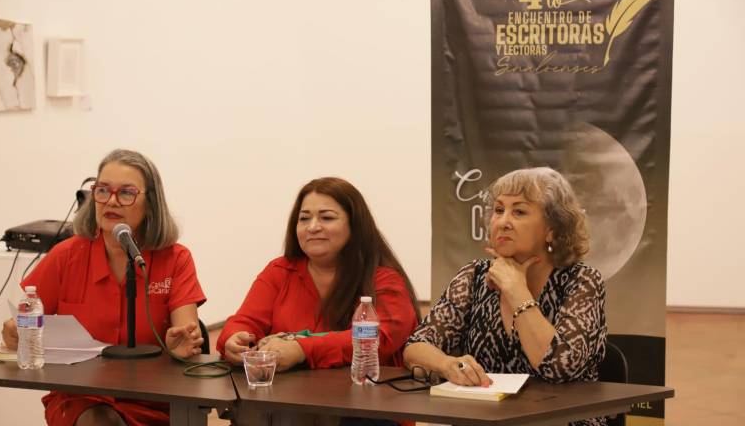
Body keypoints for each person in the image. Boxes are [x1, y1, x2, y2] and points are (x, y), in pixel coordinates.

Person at [2, 149, 206, 426]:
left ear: (151, 203)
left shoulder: (176, 258)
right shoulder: (66, 256)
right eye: (102, 190)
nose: (111, 201)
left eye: (126, 193)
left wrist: (180, 345)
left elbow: (187, 335)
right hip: (82, 396)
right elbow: (25, 315)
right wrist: (16, 333)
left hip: (154, 397)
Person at [403, 167, 606, 426]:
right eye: (499, 210)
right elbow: (415, 346)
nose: (503, 222)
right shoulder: (474, 276)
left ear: (552, 229)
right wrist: (448, 364)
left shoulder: (582, 281)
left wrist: (516, 289)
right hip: (486, 420)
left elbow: (559, 366)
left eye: (519, 212)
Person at [217, 177, 419, 372]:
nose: (312, 227)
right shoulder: (280, 270)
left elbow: (379, 338)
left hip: (362, 390)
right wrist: (233, 338)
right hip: (287, 393)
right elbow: (245, 321)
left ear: (355, 225)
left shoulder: (384, 278)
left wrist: (302, 350)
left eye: (327, 218)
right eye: (304, 218)